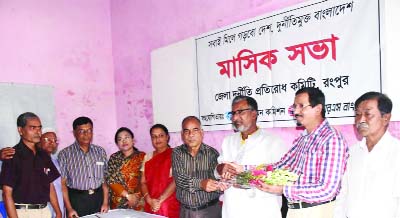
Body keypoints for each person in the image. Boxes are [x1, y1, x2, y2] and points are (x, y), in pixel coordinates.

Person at [257, 87, 349, 218]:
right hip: (295, 210)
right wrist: (244, 170)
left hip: (319, 211)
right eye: (294, 106)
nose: (296, 111)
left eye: (301, 106)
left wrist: (284, 189)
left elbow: (327, 189)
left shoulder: (331, 139)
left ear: (318, 109)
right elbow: (280, 166)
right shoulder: (303, 138)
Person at [215, 95, 288, 218]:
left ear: (254, 114)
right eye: (233, 113)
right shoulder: (227, 141)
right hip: (232, 211)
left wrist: (246, 177)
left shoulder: (273, 142)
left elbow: (281, 177)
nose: (235, 117)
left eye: (240, 112)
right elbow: (217, 172)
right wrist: (221, 169)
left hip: (262, 211)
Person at [334, 92, 400, 218]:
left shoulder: (397, 152)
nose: (361, 120)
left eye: (368, 114)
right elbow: (343, 194)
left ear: (385, 118)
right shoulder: (353, 153)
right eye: (358, 114)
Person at [0, 112, 61, 218]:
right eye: (33, 128)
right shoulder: (11, 155)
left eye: (39, 128)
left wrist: (58, 212)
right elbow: (6, 193)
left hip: (45, 211)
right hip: (23, 212)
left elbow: (50, 186)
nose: (38, 132)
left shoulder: (43, 155)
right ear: (20, 130)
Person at [172, 116, 222, 218]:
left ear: (202, 132)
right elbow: (180, 179)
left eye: (195, 130)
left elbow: (217, 180)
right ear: (182, 135)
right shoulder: (177, 152)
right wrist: (201, 183)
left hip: (210, 210)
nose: (191, 135)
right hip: (186, 212)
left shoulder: (212, 153)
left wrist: (219, 185)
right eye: (187, 131)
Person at [58, 117, 109, 218]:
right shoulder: (65, 154)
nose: (86, 134)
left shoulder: (100, 151)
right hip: (77, 201)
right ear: (74, 133)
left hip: (98, 198)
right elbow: (63, 185)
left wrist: (105, 202)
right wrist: (69, 209)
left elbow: (104, 181)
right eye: (82, 131)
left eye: (89, 130)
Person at [140, 124, 180, 218]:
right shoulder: (148, 157)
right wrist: (149, 200)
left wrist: (159, 201)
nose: (158, 139)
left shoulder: (175, 154)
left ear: (167, 137)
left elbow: (176, 181)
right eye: (154, 136)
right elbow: (142, 182)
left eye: (161, 135)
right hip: (150, 202)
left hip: (169, 203)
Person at [107, 127, 145, 210]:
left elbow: (145, 181)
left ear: (133, 140)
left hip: (137, 202)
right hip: (117, 202)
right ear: (117, 143)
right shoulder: (114, 158)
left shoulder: (142, 157)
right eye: (120, 139)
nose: (124, 141)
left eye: (126, 137)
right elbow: (111, 180)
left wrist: (135, 197)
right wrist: (128, 196)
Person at [38, 128, 65, 218]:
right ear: (39, 140)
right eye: (48, 140)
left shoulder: (56, 162)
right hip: (43, 208)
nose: (51, 143)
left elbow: (62, 186)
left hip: (59, 205)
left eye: (54, 141)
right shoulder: (33, 160)